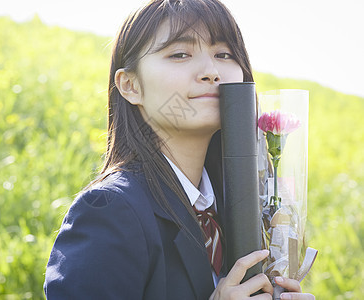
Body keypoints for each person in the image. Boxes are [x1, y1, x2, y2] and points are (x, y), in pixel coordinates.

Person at [44, 0, 315, 299]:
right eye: (180, 54)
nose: (211, 72)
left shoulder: (243, 209)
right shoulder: (110, 212)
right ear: (131, 85)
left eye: (224, 54)